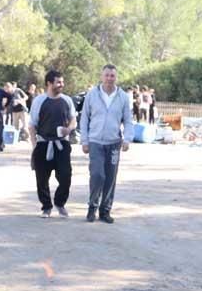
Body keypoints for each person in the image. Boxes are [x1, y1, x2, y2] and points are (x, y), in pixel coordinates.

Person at [80, 64, 134, 224]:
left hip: (114, 143)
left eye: (112, 76)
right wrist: (84, 140)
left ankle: (105, 211)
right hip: (95, 142)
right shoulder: (92, 95)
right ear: (101, 76)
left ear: (116, 77)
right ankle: (92, 207)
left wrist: (127, 139)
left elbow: (128, 121)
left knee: (110, 177)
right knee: (97, 175)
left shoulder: (123, 97)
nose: (110, 78)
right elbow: (84, 119)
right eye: (107, 75)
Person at [29, 69, 77, 218]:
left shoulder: (67, 100)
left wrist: (68, 129)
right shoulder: (39, 101)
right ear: (49, 83)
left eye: (62, 82)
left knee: (66, 176)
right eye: (58, 82)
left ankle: (60, 202)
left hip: (62, 145)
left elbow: (73, 119)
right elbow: (32, 125)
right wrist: (34, 145)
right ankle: (46, 207)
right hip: (43, 144)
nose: (61, 84)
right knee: (42, 178)